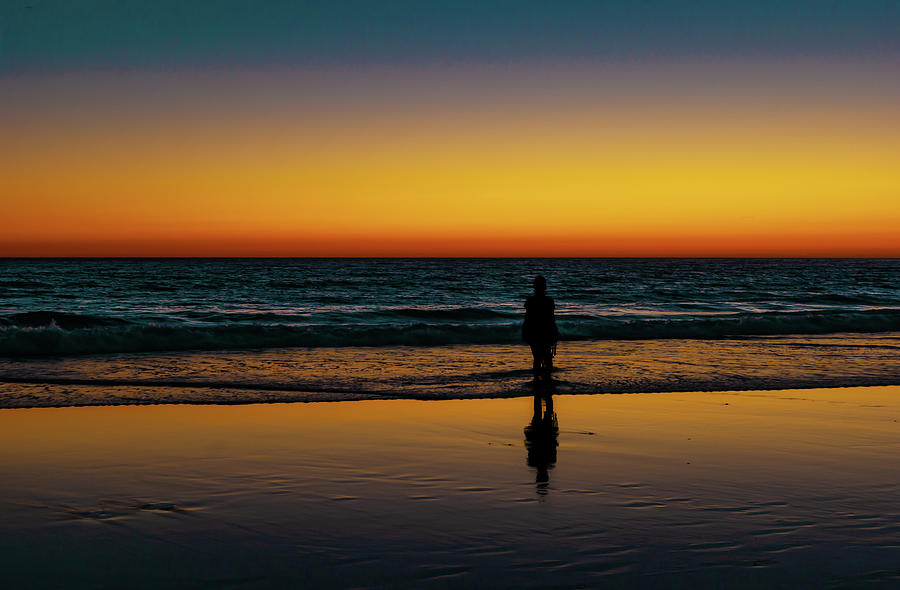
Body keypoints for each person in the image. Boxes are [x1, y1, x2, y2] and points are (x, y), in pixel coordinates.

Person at [522, 275, 559, 375]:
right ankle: (547, 381)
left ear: (534, 287)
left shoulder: (531, 301)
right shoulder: (548, 301)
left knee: (537, 358)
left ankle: (537, 381)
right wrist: (555, 333)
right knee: (546, 357)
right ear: (545, 287)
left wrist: (525, 332)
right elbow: (552, 319)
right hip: (545, 331)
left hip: (534, 331)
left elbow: (527, 318)